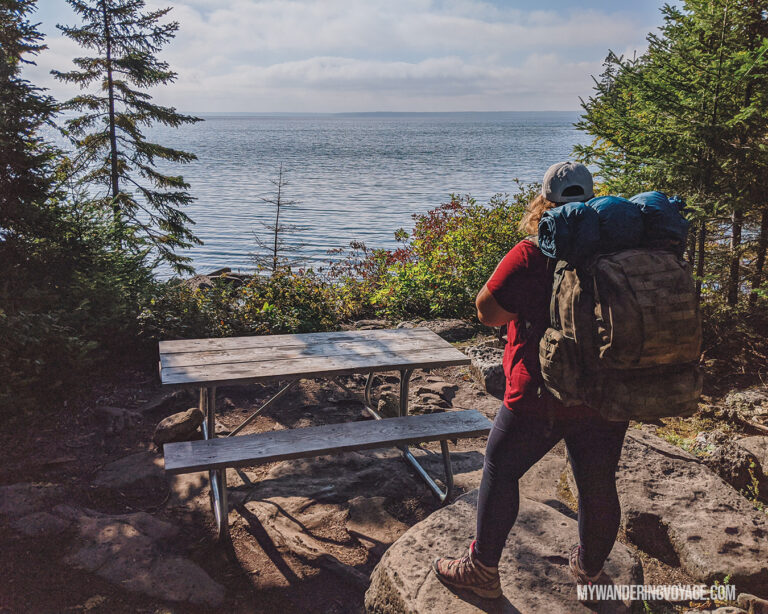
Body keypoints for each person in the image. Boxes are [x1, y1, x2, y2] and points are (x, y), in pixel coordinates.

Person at [432, 161, 629, 600]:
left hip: (538, 393)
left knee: (501, 471)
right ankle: (592, 575)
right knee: (598, 483)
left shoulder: (531, 253)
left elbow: (487, 312)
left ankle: (481, 570)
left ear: (546, 201)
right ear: (593, 200)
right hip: (604, 393)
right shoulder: (617, 252)